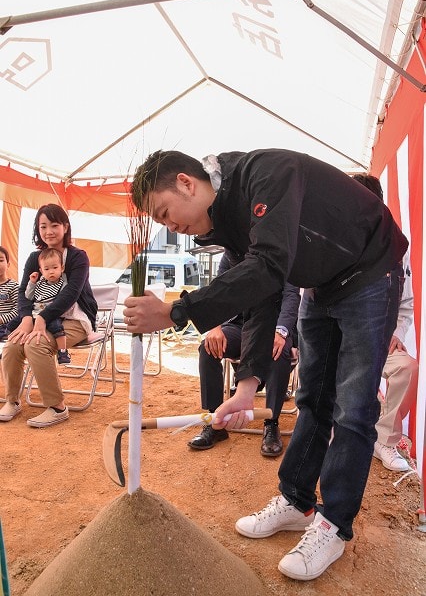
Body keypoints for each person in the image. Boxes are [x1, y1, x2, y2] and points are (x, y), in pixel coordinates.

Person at [125, 148, 407, 581]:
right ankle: (296, 501)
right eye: (161, 222)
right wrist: (245, 388)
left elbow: (270, 266)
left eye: (165, 213)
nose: (171, 226)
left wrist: (175, 312)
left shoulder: (266, 174)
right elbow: (259, 294)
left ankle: (334, 524)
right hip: (320, 282)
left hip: (370, 269)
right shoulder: (228, 221)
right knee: (312, 395)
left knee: (352, 407)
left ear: (186, 182)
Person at [190, 250, 300, 456]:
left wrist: (282, 331)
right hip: (239, 324)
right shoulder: (232, 251)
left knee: (278, 353)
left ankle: (271, 423)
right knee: (208, 348)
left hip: (274, 325)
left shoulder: (282, 250)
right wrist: (214, 326)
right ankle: (215, 421)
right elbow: (217, 291)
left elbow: (291, 295)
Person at [0, 203, 98, 428]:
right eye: (43, 226)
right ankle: (12, 401)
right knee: (13, 345)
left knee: (36, 345)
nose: (48, 231)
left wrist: (42, 319)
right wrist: (27, 318)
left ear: (65, 226)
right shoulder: (35, 257)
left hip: (75, 318)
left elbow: (72, 294)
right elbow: (25, 292)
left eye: (54, 225)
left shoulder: (77, 257)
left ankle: (57, 407)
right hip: (38, 317)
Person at [352, 173, 418, 472]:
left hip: (379, 340)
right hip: (342, 341)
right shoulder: (334, 241)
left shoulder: (396, 247)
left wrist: (397, 331)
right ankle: (327, 432)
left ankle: (385, 440)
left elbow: (406, 303)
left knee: (407, 368)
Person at [25, 247, 71, 364]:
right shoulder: (40, 283)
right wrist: (32, 283)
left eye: (55, 268)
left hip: (52, 315)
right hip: (35, 313)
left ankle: (63, 351)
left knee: (57, 327)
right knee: (15, 322)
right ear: (41, 270)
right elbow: (28, 296)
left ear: (62, 268)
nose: (51, 271)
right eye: (46, 269)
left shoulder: (62, 282)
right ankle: (8, 343)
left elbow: (64, 298)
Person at [0, 246, 19, 343]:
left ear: (8, 264)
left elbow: (18, 310)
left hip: (7, 327)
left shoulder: (14, 286)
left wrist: (2, 319)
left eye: (0, 260)